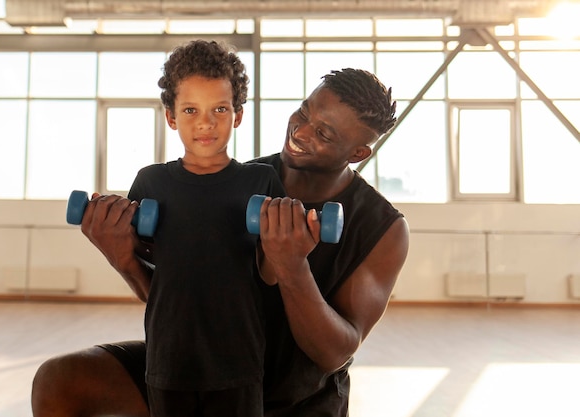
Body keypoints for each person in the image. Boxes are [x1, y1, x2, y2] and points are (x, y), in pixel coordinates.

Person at [31, 67, 409, 417]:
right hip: (204, 371)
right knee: (62, 380)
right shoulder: (238, 178)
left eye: (325, 133)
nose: (301, 132)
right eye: (303, 112)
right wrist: (124, 259)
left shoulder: (383, 228)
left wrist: (292, 267)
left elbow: (334, 354)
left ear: (358, 154)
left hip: (296, 400)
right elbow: (182, 304)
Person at [75, 39, 285, 417]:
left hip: (239, 361)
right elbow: (154, 286)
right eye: (190, 110)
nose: (205, 122)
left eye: (219, 109)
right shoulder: (150, 183)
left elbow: (268, 276)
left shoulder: (262, 181)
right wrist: (117, 251)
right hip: (169, 361)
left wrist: (288, 250)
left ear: (237, 115)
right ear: (171, 116)